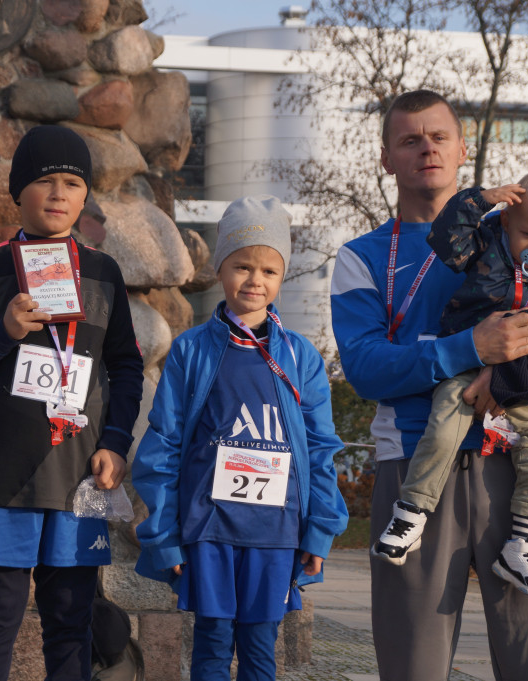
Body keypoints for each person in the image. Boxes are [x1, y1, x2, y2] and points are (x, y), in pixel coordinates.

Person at [330, 89, 528, 680]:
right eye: (409, 139)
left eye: (438, 137)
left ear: (462, 149)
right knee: (413, 666)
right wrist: (468, 349)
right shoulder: (361, 258)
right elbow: (366, 366)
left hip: (518, 460)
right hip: (415, 466)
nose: (426, 148)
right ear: (386, 158)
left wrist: (503, 373)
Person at [0, 125, 144, 681]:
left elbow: (126, 365)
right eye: (44, 181)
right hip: (5, 477)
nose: (59, 194)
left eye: (73, 183)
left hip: (79, 477)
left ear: (85, 195)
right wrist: (1, 333)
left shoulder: (104, 271)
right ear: (17, 191)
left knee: (70, 617)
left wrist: (117, 443)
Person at [132, 195, 349, 681]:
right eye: (242, 266)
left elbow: (320, 450)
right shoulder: (191, 351)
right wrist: (164, 538)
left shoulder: (302, 358)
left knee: (259, 651)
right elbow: (162, 446)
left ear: (281, 277)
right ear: (221, 269)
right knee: (209, 647)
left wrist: (320, 529)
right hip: (209, 529)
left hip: (275, 536)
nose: (255, 280)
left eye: (269, 270)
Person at [372, 170, 528, 599]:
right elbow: (446, 240)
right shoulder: (486, 246)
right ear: (506, 221)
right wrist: (478, 201)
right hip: (470, 360)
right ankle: (411, 512)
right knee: (445, 421)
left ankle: (524, 542)